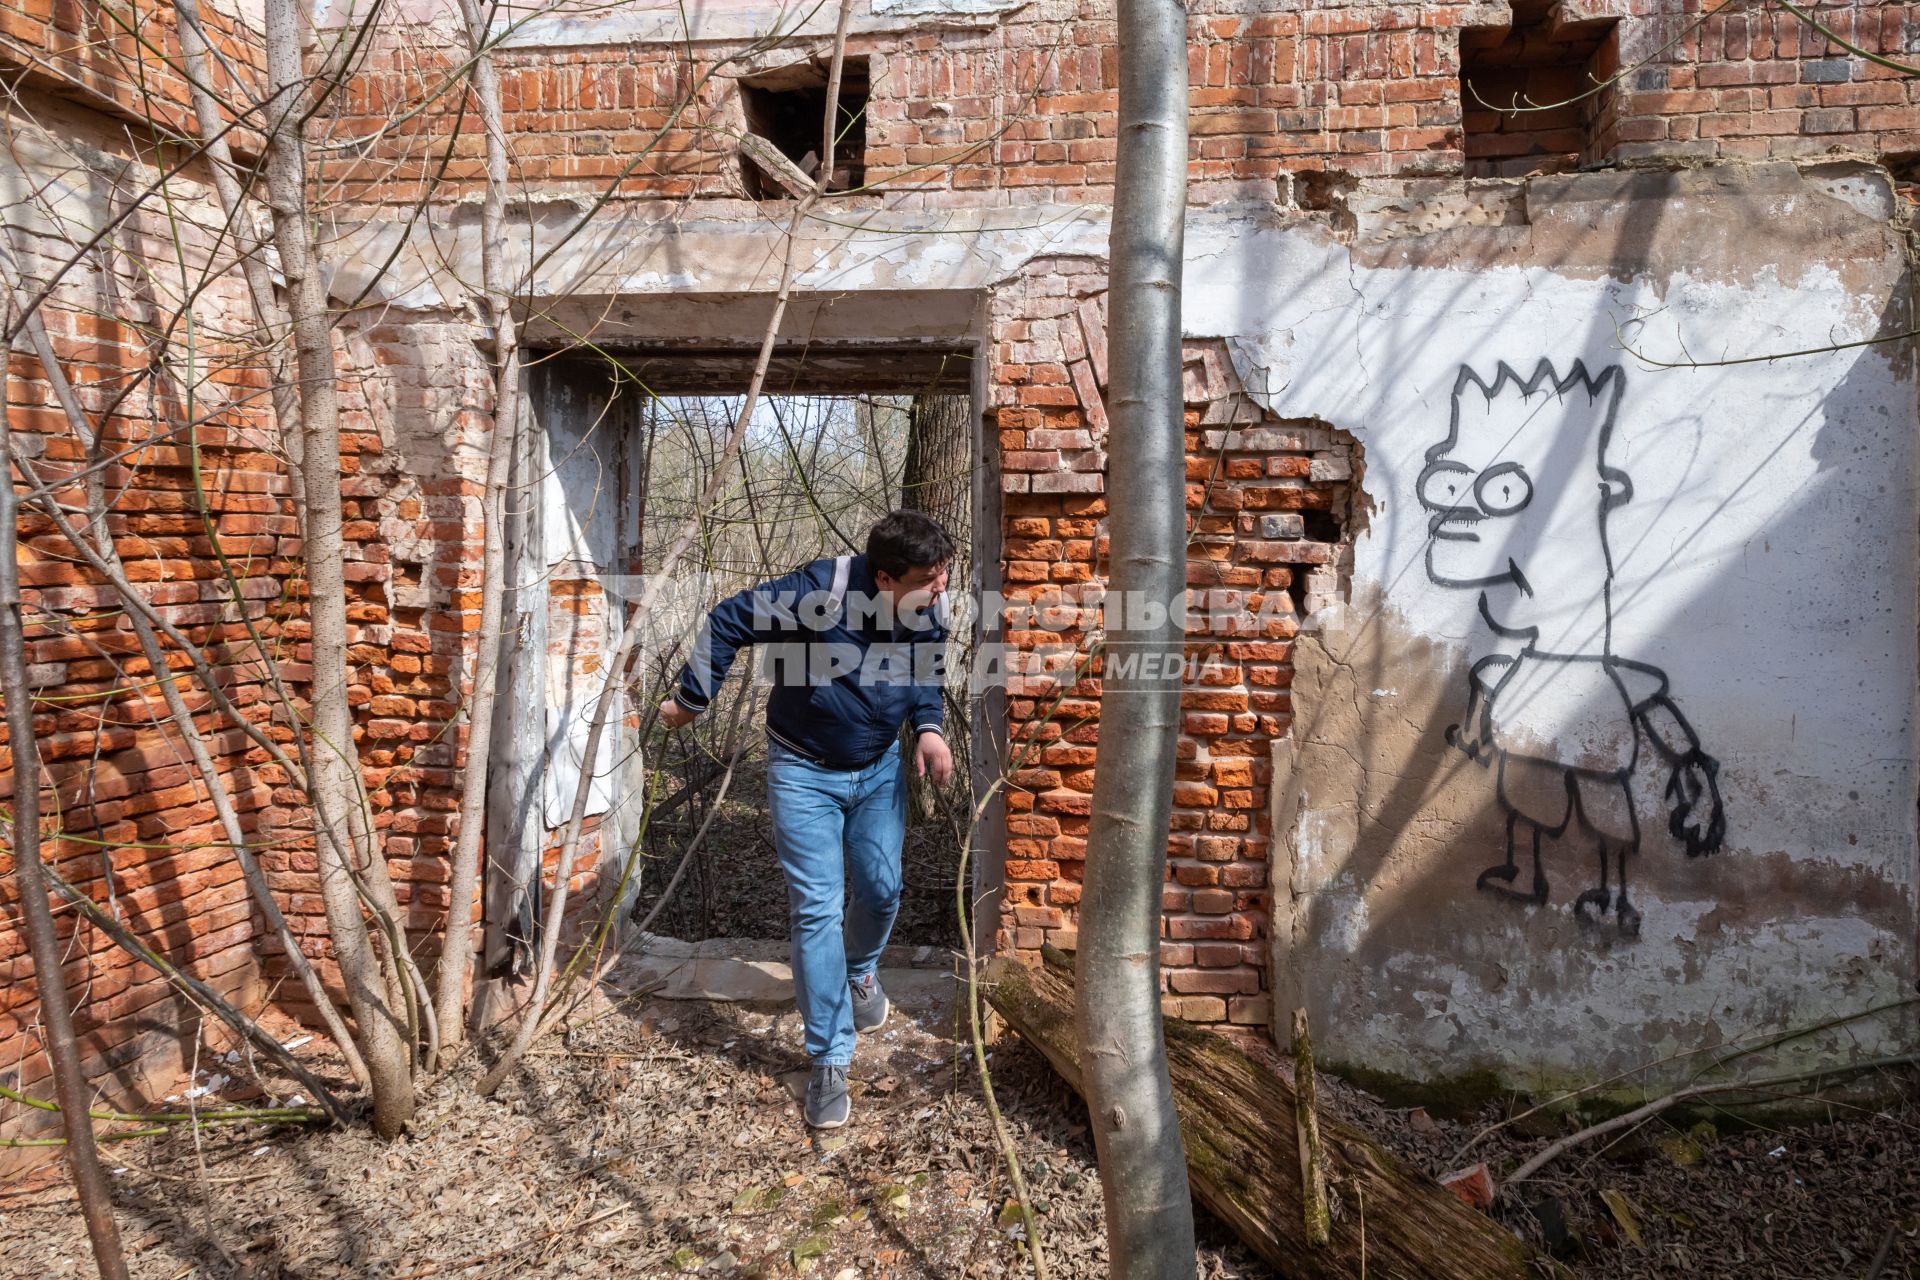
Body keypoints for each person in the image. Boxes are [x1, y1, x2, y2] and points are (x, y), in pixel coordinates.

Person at [659, 510, 955, 1128]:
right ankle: (829, 1057)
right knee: (817, 907)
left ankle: (860, 970)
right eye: (930, 577)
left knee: (882, 889)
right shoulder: (815, 594)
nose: (942, 586)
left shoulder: (926, 607)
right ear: (884, 577)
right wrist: (691, 698)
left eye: (943, 573)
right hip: (803, 771)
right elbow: (727, 620)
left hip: (878, 770)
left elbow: (926, 671)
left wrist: (929, 729)